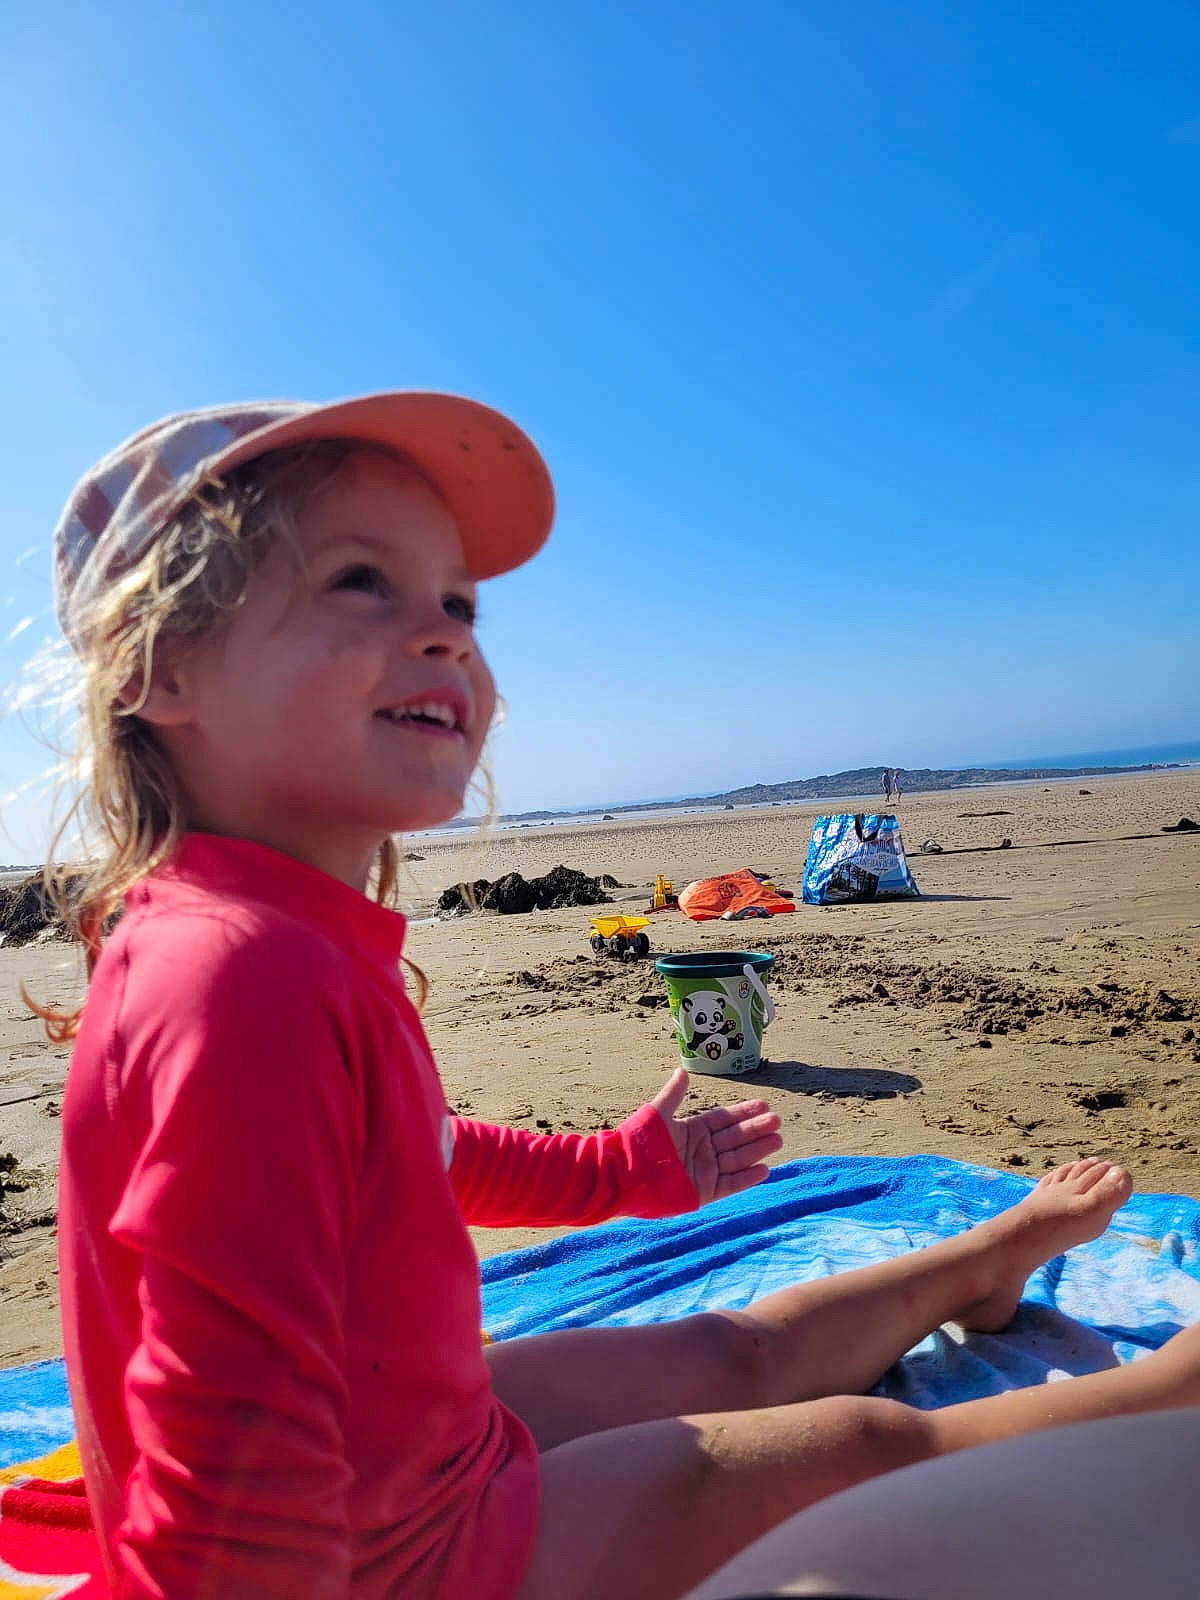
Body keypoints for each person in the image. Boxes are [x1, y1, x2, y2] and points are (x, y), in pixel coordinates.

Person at [41, 393, 1200, 1600]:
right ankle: (1165, 1399)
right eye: (360, 582)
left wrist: (616, 1173)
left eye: (458, 601)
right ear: (161, 664)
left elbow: (414, 1157)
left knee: (734, 1349)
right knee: (855, 1451)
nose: (444, 635)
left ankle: (981, 1265)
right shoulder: (237, 979)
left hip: (408, 1434)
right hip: (396, 1557)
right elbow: (227, 1483)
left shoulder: (274, 932)